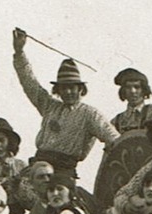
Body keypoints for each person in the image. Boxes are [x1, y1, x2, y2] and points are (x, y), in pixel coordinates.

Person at [11, 28, 119, 176]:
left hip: (64, 171)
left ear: (81, 89)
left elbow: (112, 137)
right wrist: (19, 51)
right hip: (39, 166)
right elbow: (29, 82)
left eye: (72, 87)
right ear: (58, 90)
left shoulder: (90, 114)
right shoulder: (49, 106)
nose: (68, 92)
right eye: (63, 88)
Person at [111, 68, 152, 133]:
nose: (132, 91)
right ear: (123, 91)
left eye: (137, 87)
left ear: (144, 90)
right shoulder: (116, 122)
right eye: (128, 87)